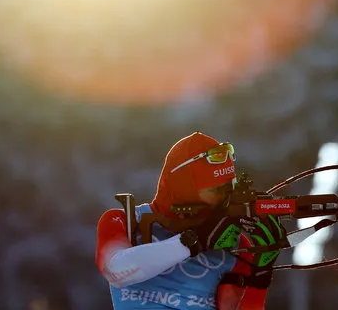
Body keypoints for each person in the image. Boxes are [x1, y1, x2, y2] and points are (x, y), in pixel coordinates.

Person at [95, 132, 285, 310]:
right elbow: (116, 270)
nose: (224, 199)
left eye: (229, 188)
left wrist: (261, 272)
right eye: (215, 190)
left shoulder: (234, 244)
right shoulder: (125, 220)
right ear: (184, 187)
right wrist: (194, 241)